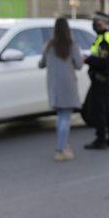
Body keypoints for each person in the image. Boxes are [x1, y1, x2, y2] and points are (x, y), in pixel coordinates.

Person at [39, 18, 84, 161]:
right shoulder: (72, 45)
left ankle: (63, 145)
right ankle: (60, 149)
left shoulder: (48, 46)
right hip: (68, 84)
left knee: (61, 116)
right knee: (65, 116)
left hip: (54, 85)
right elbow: (79, 65)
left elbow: (41, 64)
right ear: (67, 29)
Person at [84, 12, 109, 150]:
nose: (94, 24)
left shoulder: (104, 39)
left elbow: (102, 61)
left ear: (102, 23)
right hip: (104, 79)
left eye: (96, 21)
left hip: (101, 80)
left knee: (99, 110)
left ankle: (101, 140)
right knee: (107, 110)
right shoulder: (103, 37)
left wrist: (87, 60)